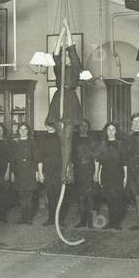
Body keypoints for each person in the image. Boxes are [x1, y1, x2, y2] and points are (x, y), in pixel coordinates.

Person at [44, 39, 88, 188]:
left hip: (70, 100)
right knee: (62, 139)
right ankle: (68, 167)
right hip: (58, 100)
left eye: (68, 56)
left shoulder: (76, 67)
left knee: (67, 138)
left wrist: (67, 32)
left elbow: (73, 52)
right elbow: (55, 55)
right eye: (64, 57)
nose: (66, 58)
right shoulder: (58, 69)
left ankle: (64, 173)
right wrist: (60, 37)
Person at [94, 122, 128, 230]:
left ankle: (117, 223)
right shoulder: (102, 144)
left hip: (118, 174)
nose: (111, 132)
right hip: (106, 174)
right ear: (106, 131)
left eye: (113, 129)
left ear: (116, 131)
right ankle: (111, 222)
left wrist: (125, 177)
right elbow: (97, 160)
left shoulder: (121, 144)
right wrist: (97, 174)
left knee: (117, 198)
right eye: (109, 129)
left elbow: (125, 162)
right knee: (109, 199)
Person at [7, 122, 40, 224]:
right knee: (21, 195)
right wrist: (12, 172)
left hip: (30, 170)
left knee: (29, 195)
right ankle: (23, 217)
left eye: (25, 129)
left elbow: (36, 158)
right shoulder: (15, 143)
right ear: (18, 131)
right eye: (21, 129)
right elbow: (12, 159)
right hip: (19, 171)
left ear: (28, 131)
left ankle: (28, 218)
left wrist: (37, 172)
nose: (23, 131)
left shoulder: (32, 142)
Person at [72, 120, 96, 228]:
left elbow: (96, 156)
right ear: (78, 128)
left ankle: (92, 221)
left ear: (89, 128)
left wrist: (96, 172)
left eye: (86, 126)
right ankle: (82, 221)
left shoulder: (93, 140)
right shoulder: (74, 140)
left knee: (90, 197)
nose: (83, 128)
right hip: (79, 171)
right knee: (80, 197)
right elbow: (72, 156)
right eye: (81, 126)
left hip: (90, 170)